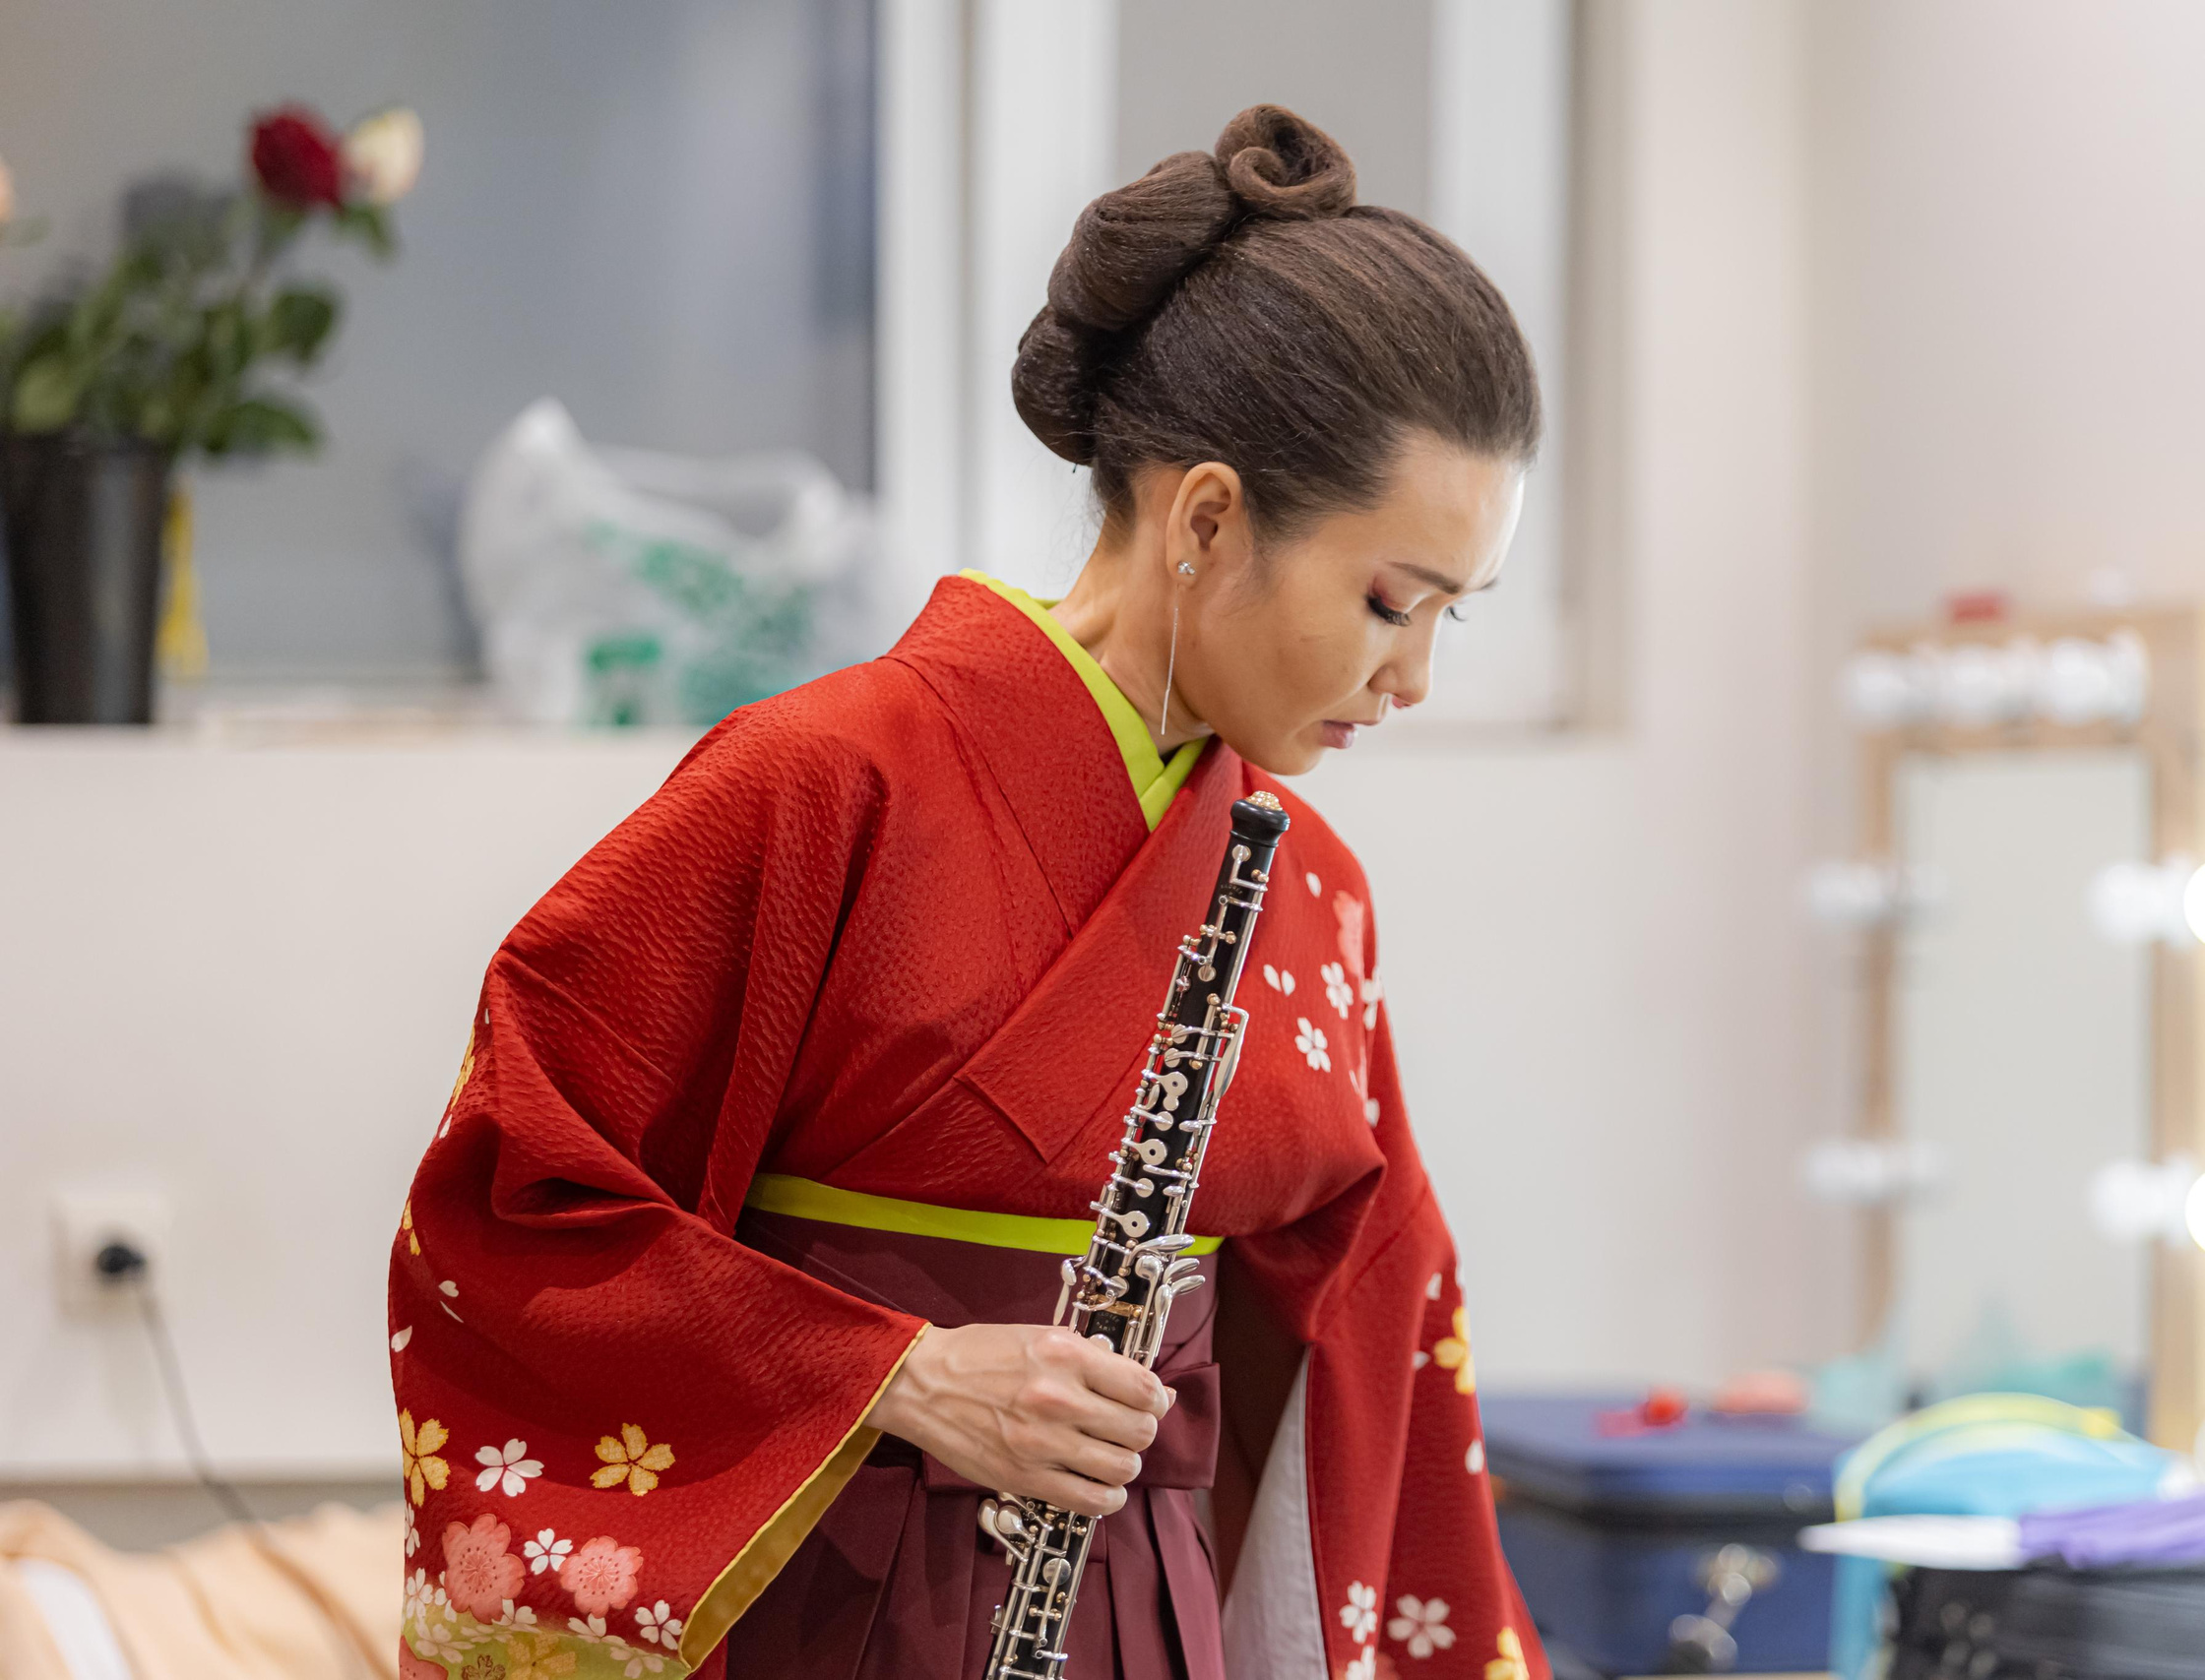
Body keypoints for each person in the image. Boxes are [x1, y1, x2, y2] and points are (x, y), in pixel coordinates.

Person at [389, 105, 1546, 1680]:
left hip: (1151, 1606)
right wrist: (898, 1375)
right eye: (1391, 602)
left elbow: (1374, 1316)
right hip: (841, 1596)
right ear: (1208, 519)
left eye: (1452, 620)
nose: (1412, 678)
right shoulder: (824, 781)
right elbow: (522, 1199)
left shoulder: (1312, 890)